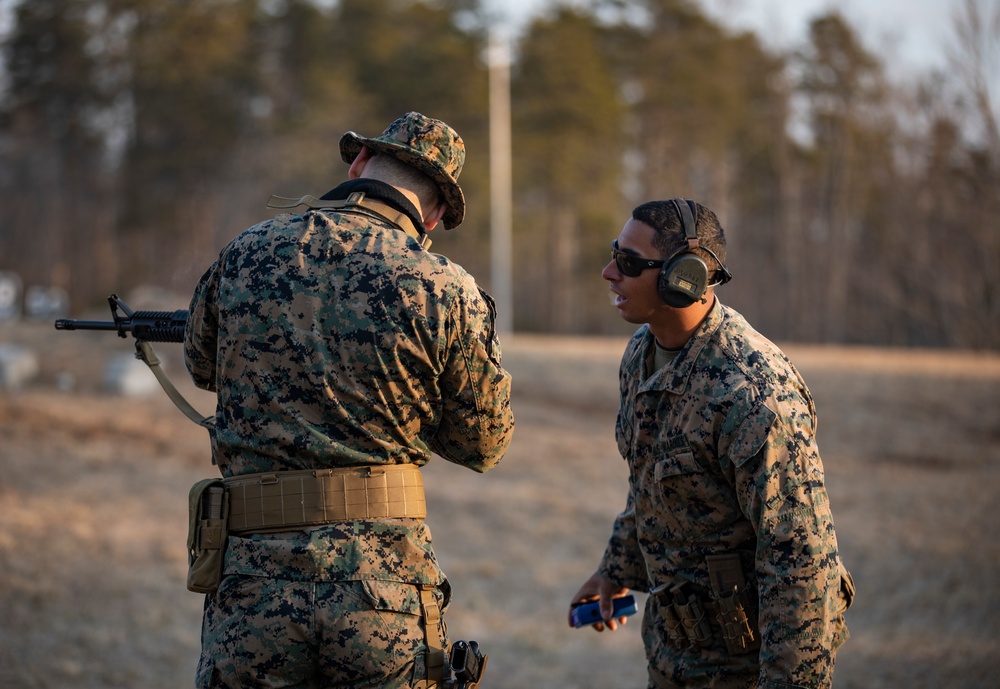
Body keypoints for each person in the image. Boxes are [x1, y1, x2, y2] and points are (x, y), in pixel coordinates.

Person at [184, 111, 514, 689]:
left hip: (253, 586)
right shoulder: (447, 288)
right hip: (384, 592)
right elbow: (482, 445)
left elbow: (202, 367)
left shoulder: (245, 253)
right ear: (435, 213)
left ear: (359, 163)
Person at [568, 198, 854, 688]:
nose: (609, 271)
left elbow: (803, 566)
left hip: (747, 669)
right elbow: (652, 484)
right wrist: (616, 567)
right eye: (616, 253)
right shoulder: (642, 353)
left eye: (631, 263)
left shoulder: (753, 394)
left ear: (685, 279)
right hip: (672, 656)